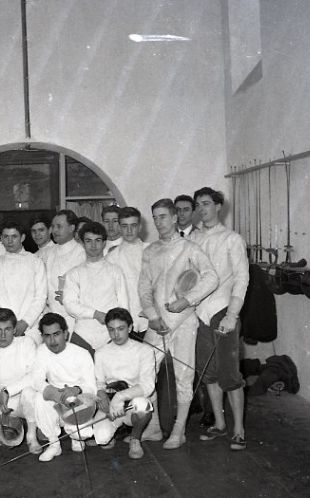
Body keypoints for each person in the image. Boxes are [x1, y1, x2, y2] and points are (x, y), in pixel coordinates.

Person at [138, 198, 218, 449]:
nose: (159, 222)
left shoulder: (190, 248)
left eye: (163, 216)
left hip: (183, 322)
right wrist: (152, 316)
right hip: (158, 324)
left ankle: (179, 430)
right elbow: (143, 289)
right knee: (147, 373)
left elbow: (211, 278)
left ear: (174, 218)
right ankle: (152, 427)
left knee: (184, 375)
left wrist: (186, 301)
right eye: (155, 217)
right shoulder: (149, 251)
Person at [190, 187, 250, 451]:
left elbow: (242, 279)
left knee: (229, 374)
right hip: (198, 315)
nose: (201, 209)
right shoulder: (193, 238)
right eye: (198, 205)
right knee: (208, 373)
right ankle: (220, 424)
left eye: (206, 203)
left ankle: (239, 429)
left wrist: (232, 315)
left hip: (223, 312)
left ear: (218, 206)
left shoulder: (232, 239)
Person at [31, 313, 97, 462]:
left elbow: (91, 387)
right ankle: (54, 444)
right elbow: (36, 379)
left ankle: (75, 437)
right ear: (42, 337)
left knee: (83, 434)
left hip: (78, 399)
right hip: (57, 397)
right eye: (47, 336)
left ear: (65, 334)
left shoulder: (82, 354)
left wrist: (76, 390)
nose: (52, 340)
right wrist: (54, 393)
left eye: (57, 334)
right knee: (39, 397)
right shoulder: (42, 351)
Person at [92, 308, 155, 459]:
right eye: (111, 330)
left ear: (130, 328)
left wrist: (121, 396)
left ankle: (135, 438)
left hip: (133, 401)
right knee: (102, 439)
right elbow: (99, 383)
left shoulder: (144, 350)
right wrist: (102, 396)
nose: (116, 334)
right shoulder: (101, 352)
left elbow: (148, 385)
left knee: (144, 406)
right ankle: (113, 432)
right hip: (111, 402)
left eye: (121, 329)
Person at [0, 308, 41, 454]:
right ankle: (7, 426)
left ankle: (31, 435)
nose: (3, 335)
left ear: (14, 329)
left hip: (24, 400)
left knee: (31, 394)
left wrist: (8, 391)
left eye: (7, 329)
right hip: (0, 402)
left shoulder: (27, 343)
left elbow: (34, 376)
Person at [63, 222, 128, 354]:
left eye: (97, 240)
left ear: (104, 243)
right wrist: (96, 314)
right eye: (88, 241)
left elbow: (123, 305)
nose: (93, 245)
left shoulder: (116, 271)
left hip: (110, 336)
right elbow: (69, 304)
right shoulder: (73, 273)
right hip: (82, 336)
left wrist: (120, 328)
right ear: (82, 243)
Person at [0, 219, 47, 344]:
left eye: (14, 236)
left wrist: (25, 322)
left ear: (22, 237)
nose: (10, 241)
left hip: (29, 328)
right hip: (3, 329)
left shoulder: (35, 262)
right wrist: (5, 324)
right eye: (6, 236)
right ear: (1, 238)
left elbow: (41, 296)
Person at [106, 207, 149, 337]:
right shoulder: (111, 258)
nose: (129, 231)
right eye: (125, 226)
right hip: (125, 321)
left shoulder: (151, 251)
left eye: (133, 225)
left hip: (150, 320)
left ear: (140, 227)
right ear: (119, 227)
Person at [44, 210, 86, 333]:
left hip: (73, 319)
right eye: (53, 227)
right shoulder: (48, 253)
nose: (54, 231)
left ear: (72, 228)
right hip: (51, 314)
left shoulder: (81, 253)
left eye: (59, 226)